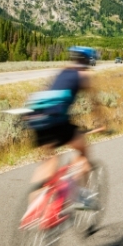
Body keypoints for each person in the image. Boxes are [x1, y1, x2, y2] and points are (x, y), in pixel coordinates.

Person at [27, 46, 104, 207]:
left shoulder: (62, 71)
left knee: (49, 161)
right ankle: (82, 197)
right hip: (55, 120)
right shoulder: (84, 75)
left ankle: (32, 209)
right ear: (90, 60)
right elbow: (94, 104)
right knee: (82, 151)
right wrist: (101, 123)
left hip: (36, 116)